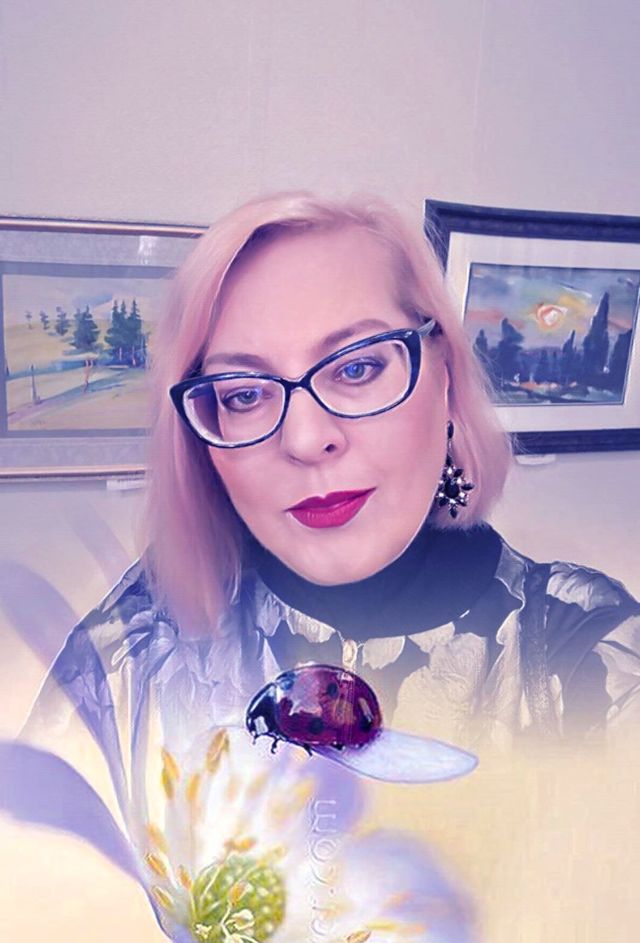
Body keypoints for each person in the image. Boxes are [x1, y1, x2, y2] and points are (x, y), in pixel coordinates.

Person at [25, 189, 640, 768]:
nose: (304, 440)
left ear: (444, 376)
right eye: (244, 395)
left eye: (357, 367)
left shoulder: (584, 649)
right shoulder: (144, 637)